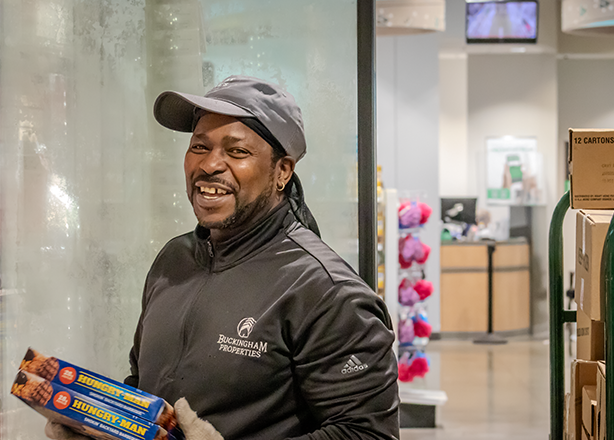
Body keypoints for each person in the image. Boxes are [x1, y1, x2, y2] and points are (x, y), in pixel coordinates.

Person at [46, 75, 400, 440]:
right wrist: (103, 426)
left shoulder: (324, 290)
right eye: (200, 146)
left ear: (282, 172)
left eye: (237, 151)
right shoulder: (174, 260)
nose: (210, 165)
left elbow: (368, 434)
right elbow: (144, 388)